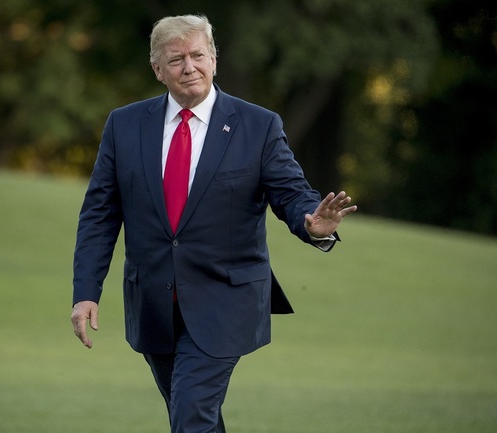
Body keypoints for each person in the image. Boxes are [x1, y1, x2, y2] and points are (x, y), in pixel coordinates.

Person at [71, 14, 357, 433]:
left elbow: (292, 193)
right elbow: (99, 214)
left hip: (226, 300)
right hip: (153, 303)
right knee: (194, 417)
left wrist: (313, 224)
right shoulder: (124, 125)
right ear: (157, 70)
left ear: (214, 59)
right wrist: (85, 293)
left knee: (190, 414)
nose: (189, 67)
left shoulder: (258, 126)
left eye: (198, 55)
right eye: (176, 60)